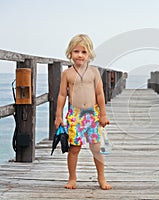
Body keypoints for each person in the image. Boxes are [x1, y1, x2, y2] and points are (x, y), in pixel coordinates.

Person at [55, 34, 111, 190]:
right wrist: (58, 115)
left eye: (84, 52)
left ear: (89, 54)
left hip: (92, 114)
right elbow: (61, 95)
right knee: (74, 148)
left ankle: (101, 177)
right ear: (70, 53)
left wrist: (103, 114)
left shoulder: (94, 72)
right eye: (76, 51)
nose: (79, 55)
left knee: (96, 147)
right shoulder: (67, 74)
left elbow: (100, 94)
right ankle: (72, 178)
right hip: (75, 115)